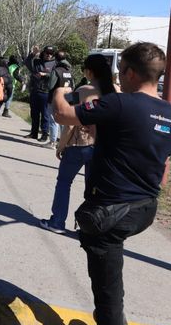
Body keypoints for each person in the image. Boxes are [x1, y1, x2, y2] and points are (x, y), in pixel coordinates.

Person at [52, 42, 171, 325]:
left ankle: (113, 321)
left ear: (130, 72)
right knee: (110, 271)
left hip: (110, 211)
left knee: (107, 295)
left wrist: (61, 87)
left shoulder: (121, 104)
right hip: (144, 209)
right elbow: (149, 155)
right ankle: (113, 311)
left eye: (121, 70)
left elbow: (62, 114)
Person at [39, 54, 115, 234]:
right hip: (102, 148)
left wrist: (61, 145)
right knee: (93, 190)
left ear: (89, 71)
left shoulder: (81, 91)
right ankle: (89, 226)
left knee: (64, 183)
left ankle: (57, 221)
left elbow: (68, 120)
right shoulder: (115, 92)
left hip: (79, 144)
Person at [24, 45, 56, 142]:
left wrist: (45, 74)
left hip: (46, 92)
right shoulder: (37, 61)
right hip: (35, 90)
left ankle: (44, 134)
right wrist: (33, 54)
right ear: (43, 53)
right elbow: (27, 63)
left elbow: (55, 75)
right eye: (47, 53)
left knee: (45, 114)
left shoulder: (54, 64)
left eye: (51, 53)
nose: (49, 55)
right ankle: (34, 133)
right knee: (34, 113)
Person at [44, 51, 75, 149]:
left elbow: (50, 86)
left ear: (56, 59)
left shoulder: (56, 70)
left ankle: (52, 142)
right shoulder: (69, 71)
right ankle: (63, 141)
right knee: (63, 121)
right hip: (67, 98)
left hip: (55, 98)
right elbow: (73, 85)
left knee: (53, 120)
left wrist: (46, 78)